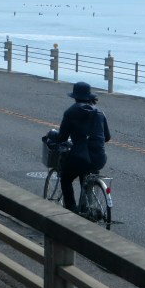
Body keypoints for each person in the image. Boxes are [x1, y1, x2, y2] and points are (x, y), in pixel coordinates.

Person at [55, 82, 111, 212]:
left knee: (66, 179)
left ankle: (71, 210)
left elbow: (62, 137)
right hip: (99, 158)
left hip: (80, 157)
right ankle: (86, 209)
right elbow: (107, 137)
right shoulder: (100, 113)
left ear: (75, 97)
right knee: (86, 178)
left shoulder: (70, 112)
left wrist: (52, 136)